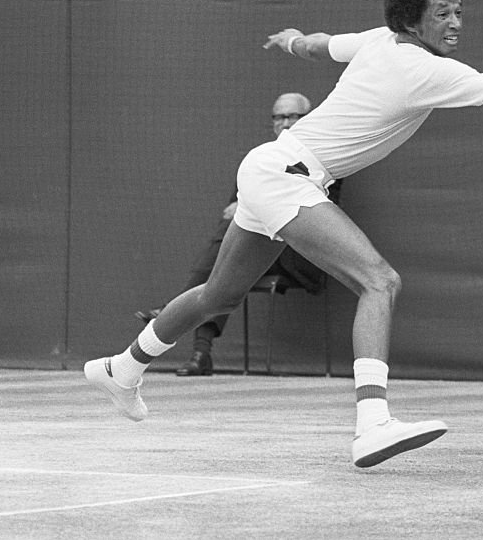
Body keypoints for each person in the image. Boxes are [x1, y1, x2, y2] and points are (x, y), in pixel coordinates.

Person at [85, 0, 483, 468]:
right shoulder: (421, 67)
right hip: (285, 174)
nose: (455, 24)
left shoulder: (379, 40)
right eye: (442, 12)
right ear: (412, 18)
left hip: (271, 169)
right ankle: (373, 423)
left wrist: (291, 41)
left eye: (460, 11)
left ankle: (121, 368)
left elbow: (319, 46)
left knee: (217, 295)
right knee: (380, 281)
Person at [134, 92, 338, 376]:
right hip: (261, 245)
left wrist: (259, 206)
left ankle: (176, 312)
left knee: (230, 260)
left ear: (308, 119)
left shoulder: (324, 155)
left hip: (299, 251)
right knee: (228, 259)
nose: (286, 123)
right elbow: (236, 211)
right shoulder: (263, 159)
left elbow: (318, 212)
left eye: (293, 116)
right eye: (279, 117)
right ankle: (200, 354)